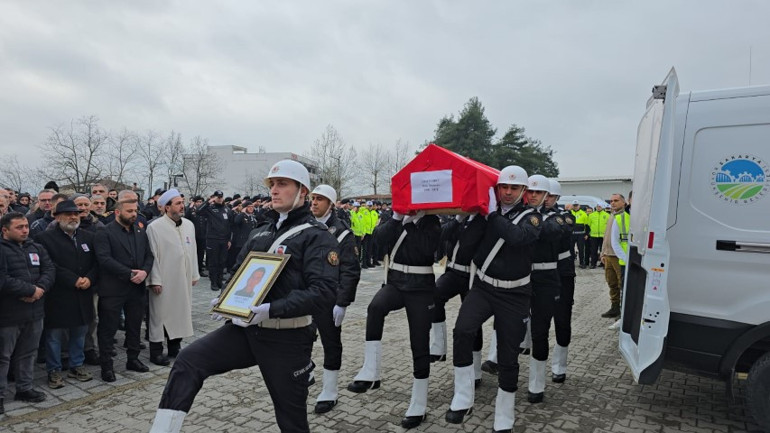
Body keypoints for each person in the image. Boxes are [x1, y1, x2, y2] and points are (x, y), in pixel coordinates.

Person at [149, 160, 339, 433]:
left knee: (292, 421)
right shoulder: (261, 231)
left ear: (303, 191)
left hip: (288, 338)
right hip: (246, 331)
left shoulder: (317, 237)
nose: (274, 190)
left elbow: (323, 293)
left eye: (282, 184)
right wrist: (225, 299)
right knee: (188, 361)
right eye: (272, 184)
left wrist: (271, 309)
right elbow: (238, 271)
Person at [445, 166, 541, 433]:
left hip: (515, 294)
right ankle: (463, 397)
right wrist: (467, 216)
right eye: (503, 187)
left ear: (523, 191)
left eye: (514, 188)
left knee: (508, 356)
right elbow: (464, 243)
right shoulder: (486, 213)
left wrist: (491, 215)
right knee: (463, 330)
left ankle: (505, 414)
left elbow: (517, 237)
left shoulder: (532, 217)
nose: (507, 192)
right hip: (484, 287)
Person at [347, 206, 440, 429]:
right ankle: (371, 371)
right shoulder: (395, 219)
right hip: (396, 282)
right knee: (375, 308)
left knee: (419, 342)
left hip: (421, 287)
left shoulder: (432, 222)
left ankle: (419, 404)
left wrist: (411, 224)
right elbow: (379, 240)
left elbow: (427, 250)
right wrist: (397, 218)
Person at [308, 184, 361, 414]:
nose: (314, 203)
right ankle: (305, 370)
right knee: (300, 337)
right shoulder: (305, 226)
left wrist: (342, 302)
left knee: (330, 343)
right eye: (313, 198)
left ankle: (329, 390)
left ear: (330, 204)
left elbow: (350, 270)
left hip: (329, 297)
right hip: (304, 295)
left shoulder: (342, 233)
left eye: (320, 199)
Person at [37, 200, 97, 389]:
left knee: (80, 333)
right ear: (57, 217)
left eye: (76, 214)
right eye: (68, 214)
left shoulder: (88, 236)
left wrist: (89, 278)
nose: (73, 217)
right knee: (54, 336)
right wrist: (73, 279)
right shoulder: (44, 238)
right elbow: (49, 265)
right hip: (59, 294)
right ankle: (54, 370)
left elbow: (96, 262)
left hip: (83, 293)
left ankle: (76, 365)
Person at [94, 193, 155, 382]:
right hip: (113, 289)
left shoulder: (140, 230)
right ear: (117, 212)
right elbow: (104, 259)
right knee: (108, 328)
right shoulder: (105, 232)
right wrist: (129, 273)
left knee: (134, 325)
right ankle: (106, 365)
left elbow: (149, 255)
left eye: (135, 210)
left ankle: (133, 359)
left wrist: (145, 272)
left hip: (136, 288)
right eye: (129, 211)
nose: (134, 214)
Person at [0, 212, 55, 412]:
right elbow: (3, 279)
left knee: (28, 352)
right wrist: (29, 290)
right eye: (19, 227)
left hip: (35, 311)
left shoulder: (36, 247)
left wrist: (40, 289)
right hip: (8, 314)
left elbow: (49, 270)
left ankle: (24, 388)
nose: (25, 230)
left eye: (26, 226)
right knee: (3, 356)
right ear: (5, 230)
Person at [429, 210, 486, 385]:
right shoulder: (458, 218)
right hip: (454, 271)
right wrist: (458, 219)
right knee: (434, 296)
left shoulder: (485, 219)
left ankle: (475, 370)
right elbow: (441, 236)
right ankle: (439, 346)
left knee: (472, 321)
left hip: (474, 275)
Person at [146, 189, 200, 367]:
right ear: (167, 207)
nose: (182, 206)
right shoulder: (155, 227)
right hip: (164, 279)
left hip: (183, 278)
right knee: (159, 315)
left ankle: (174, 347)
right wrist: (154, 280)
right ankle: (156, 351)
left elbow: (193, 250)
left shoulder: (189, 225)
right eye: (178, 203)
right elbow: (152, 255)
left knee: (180, 312)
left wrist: (194, 273)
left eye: (182, 202)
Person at [523, 175, 564, 404]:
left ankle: (536, 384)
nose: (534, 196)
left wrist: (531, 217)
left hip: (546, 280)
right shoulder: (519, 214)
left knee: (540, 331)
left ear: (547, 196)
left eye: (539, 192)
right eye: (530, 191)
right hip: (520, 278)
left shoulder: (555, 218)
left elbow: (550, 232)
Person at [547, 179, 576, 383]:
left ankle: (559, 365)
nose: (545, 199)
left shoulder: (564, 217)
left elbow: (562, 230)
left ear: (556, 197)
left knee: (562, 320)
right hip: (538, 274)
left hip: (562, 274)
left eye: (550, 195)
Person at [197, 190, 233, 290]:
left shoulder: (227, 209)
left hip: (224, 240)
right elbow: (198, 211)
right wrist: (208, 201)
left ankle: (219, 281)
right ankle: (213, 282)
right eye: (218, 197)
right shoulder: (210, 209)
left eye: (221, 197)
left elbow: (230, 225)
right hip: (213, 239)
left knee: (222, 261)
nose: (220, 199)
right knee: (213, 262)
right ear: (214, 198)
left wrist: (229, 240)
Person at [600, 194, 627, 319]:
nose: (612, 203)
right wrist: (603, 252)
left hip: (618, 256)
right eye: (611, 201)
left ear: (623, 202)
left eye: (616, 200)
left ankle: (623, 310)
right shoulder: (611, 215)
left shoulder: (625, 217)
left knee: (621, 283)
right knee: (612, 283)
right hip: (608, 255)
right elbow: (606, 235)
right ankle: (614, 307)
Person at [570, 201, 589, 268]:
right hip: (571, 235)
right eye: (574, 205)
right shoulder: (569, 213)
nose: (575, 207)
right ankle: (571, 263)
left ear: (579, 206)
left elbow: (587, 225)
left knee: (581, 249)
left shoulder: (583, 213)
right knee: (570, 249)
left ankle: (582, 262)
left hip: (580, 235)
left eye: (576, 205)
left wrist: (587, 234)